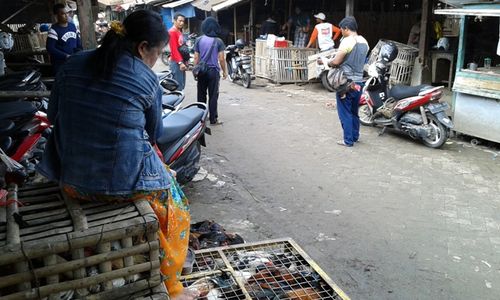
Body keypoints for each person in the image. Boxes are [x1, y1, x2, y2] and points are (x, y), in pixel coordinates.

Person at [37, 10, 195, 300]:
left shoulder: (71, 64)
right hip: (121, 188)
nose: (155, 61)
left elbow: (52, 115)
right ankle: (172, 287)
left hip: (69, 180)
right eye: (157, 54)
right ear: (143, 48)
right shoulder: (146, 79)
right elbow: (154, 133)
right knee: (179, 210)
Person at [326, 16, 369, 147]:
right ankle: (355, 136)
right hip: (358, 83)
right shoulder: (364, 41)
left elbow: (337, 61)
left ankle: (348, 140)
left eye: (341, 29)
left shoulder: (347, 41)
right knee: (354, 111)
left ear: (346, 28)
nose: (341, 32)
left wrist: (328, 62)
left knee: (345, 112)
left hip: (346, 83)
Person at [194, 17, 227, 126]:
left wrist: (196, 70)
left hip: (202, 71)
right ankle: (213, 119)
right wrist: (225, 71)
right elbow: (221, 59)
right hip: (213, 71)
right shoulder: (218, 41)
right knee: (213, 95)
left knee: (201, 94)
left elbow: (196, 58)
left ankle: (201, 119)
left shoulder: (198, 40)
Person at [46, 3, 82, 75]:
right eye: (63, 14)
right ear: (56, 16)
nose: (66, 15)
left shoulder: (72, 26)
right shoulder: (54, 30)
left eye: (67, 13)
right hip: (60, 65)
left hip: (73, 62)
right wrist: (65, 56)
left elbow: (78, 42)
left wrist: (80, 53)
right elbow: (50, 48)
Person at [169, 13, 187, 90]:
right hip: (176, 61)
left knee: (181, 83)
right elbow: (174, 49)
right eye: (180, 21)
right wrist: (180, 63)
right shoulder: (172, 32)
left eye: (183, 21)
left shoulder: (178, 31)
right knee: (178, 85)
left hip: (181, 60)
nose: (181, 23)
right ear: (174, 21)